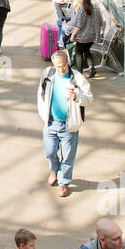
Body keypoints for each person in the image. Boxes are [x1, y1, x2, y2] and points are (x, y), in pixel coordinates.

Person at [38, 48, 93, 197]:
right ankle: (55, 170)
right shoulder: (48, 74)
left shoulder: (77, 78)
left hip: (69, 125)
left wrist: (76, 96)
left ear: (67, 63)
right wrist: (43, 113)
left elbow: (89, 97)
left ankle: (64, 182)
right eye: (57, 66)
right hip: (51, 122)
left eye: (63, 66)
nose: (61, 69)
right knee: (49, 151)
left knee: (68, 156)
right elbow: (41, 93)